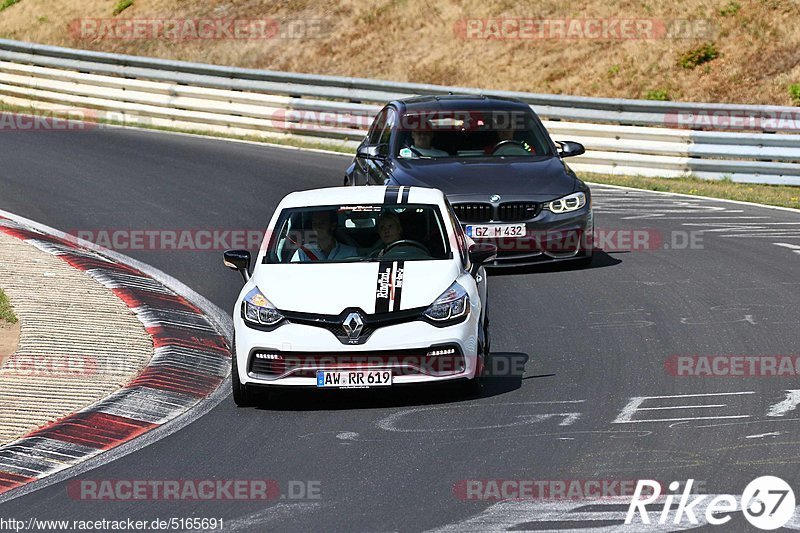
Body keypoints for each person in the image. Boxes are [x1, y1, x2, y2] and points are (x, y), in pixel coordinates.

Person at [290, 210, 357, 262]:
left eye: (322, 223)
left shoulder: (350, 252)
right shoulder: (303, 252)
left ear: (332, 226)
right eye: (314, 223)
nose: (317, 226)